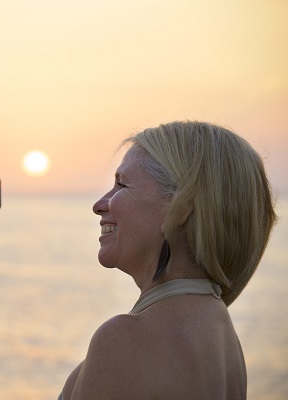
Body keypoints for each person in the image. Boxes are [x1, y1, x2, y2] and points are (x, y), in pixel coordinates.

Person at [59, 121, 277, 399]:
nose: (100, 204)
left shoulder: (125, 340)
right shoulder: (222, 336)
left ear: (178, 209)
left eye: (121, 184)